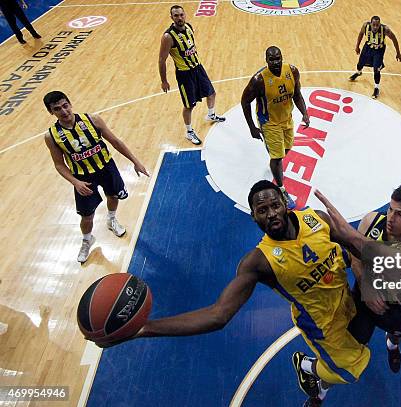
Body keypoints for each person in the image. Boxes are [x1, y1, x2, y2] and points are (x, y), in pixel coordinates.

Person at [95, 181, 370, 407]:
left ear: (285, 203)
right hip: (321, 325)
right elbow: (218, 315)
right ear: (253, 217)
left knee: (378, 324)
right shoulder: (258, 263)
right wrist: (145, 328)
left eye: (275, 205)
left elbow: (351, 248)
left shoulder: (316, 219)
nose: (271, 213)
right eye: (262, 210)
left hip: (348, 298)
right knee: (347, 371)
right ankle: (308, 369)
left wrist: (362, 276)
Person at [43, 91, 149, 264]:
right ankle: (87, 239)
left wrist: (135, 161)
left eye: (65, 105)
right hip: (83, 177)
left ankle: (112, 219)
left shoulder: (92, 120)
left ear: (70, 104)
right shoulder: (51, 136)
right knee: (87, 216)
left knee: (113, 196)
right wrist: (75, 182)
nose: (63, 111)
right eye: (57, 109)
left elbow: (115, 142)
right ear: (51, 112)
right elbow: (59, 164)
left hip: (107, 167)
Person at [347, 183, 401, 373]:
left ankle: (392, 345)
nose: (391, 218)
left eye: (400, 214)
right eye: (390, 209)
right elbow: (354, 256)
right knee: (354, 345)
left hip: (400, 307)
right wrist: (366, 286)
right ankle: (319, 391)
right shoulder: (371, 220)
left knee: (396, 336)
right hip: (364, 297)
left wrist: (347, 235)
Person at [241, 46, 310, 210]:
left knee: (286, 150)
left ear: (282, 57)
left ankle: (274, 161)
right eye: (272, 59)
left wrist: (305, 113)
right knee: (278, 158)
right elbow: (245, 102)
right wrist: (252, 127)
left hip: (287, 118)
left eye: (278, 58)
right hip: (269, 123)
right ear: (266, 60)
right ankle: (281, 190)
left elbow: (297, 95)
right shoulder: (259, 80)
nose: (276, 62)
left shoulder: (292, 72)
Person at [158, 5, 225, 146]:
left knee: (211, 93)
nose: (179, 18)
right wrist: (164, 81)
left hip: (198, 67)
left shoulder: (189, 27)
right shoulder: (168, 37)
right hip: (185, 74)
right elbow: (162, 59)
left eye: (181, 15)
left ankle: (211, 114)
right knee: (189, 105)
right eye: (176, 16)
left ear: (185, 15)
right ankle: (189, 132)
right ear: (171, 17)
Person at [348, 16, 401, 99]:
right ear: (370, 23)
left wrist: (398, 53)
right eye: (373, 25)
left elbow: (394, 39)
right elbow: (360, 34)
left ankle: (376, 88)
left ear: (379, 24)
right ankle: (359, 72)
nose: (375, 27)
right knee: (360, 64)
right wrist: (357, 46)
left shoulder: (385, 29)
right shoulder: (365, 26)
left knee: (376, 69)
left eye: (377, 25)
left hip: (379, 49)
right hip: (368, 46)